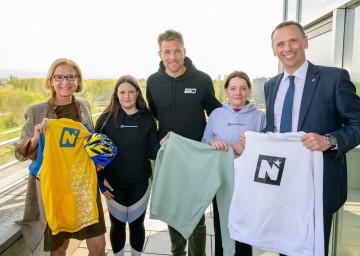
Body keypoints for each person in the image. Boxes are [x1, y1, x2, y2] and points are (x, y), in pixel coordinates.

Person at [241, 20, 360, 255]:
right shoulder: (271, 85)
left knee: (313, 249)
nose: (288, 48)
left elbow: (357, 122)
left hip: (318, 183)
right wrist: (255, 139)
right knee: (285, 245)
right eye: (281, 44)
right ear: (274, 50)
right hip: (282, 183)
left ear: (305, 42)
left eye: (293, 40)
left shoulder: (334, 78)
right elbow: (276, 132)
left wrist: (330, 140)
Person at [15, 58, 106, 256]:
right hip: (56, 190)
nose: (65, 82)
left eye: (71, 76)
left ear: (78, 80)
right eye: (59, 77)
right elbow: (18, 153)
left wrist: (100, 156)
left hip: (84, 188)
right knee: (59, 249)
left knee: (98, 247)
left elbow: (89, 140)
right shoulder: (37, 111)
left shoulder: (83, 105)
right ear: (51, 80)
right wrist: (36, 138)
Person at [146, 29, 222, 256]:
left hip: (197, 157)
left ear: (184, 51)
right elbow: (154, 114)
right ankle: (177, 252)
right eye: (167, 52)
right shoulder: (153, 82)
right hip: (169, 156)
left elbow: (216, 113)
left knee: (195, 212)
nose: (173, 57)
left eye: (177, 51)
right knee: (173, 209)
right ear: (159, 54)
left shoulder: (202, 79)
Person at [95, 75, 169, 256]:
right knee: (117, 226)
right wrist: (100, 180)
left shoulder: (147, 119)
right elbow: (95, 157)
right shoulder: (105, 120)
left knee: (137, 225)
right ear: (116, 94)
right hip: (113, 184)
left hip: (140, 183)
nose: (126, 96)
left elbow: (151, 153)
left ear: (137, 93)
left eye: (130, 92)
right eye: (122, 92)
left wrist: (162, 144)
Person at [202, 70, 266, 256]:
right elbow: (204, 143)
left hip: (248, 180)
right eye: (233, 88)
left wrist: (252, 145)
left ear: (249, 91)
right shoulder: (216, 115)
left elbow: (268, 148)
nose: (238, 93)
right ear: (226, 91)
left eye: (243, 88)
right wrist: (212, 142)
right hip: (221, 179)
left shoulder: (259, 116)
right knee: (222, 223)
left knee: (245, 226)